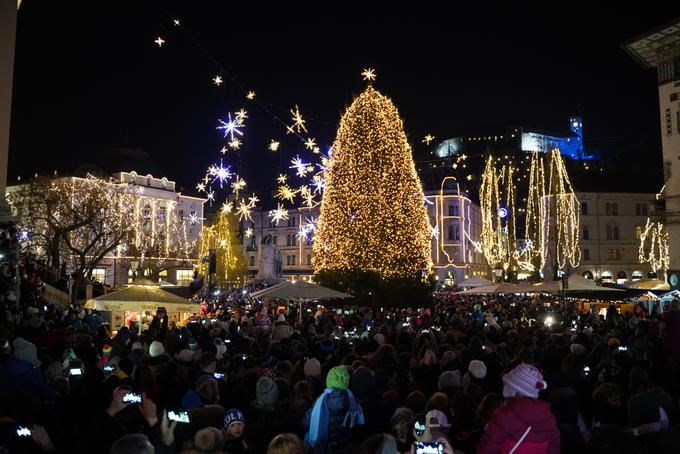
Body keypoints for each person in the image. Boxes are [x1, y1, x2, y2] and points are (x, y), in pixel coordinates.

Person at [476, 363, 560, 454]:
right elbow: (554, 448)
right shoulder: (549, 417)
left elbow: (487, 450)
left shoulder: (503, 415)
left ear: (513, 390)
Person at [305, 365, 365, 453]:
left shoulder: (320, 400)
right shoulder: (353, 400)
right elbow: (358, 424)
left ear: (328, 381)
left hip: (323, 447)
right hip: (346, 444)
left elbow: (307, 420)